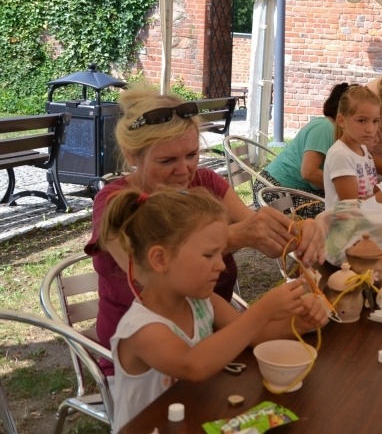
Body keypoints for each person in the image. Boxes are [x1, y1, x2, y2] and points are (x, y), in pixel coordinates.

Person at [87, 86, 325, 375]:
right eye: (167, 160)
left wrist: (303, 231)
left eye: (192, 154)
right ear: (131, 155)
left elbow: (269, 241)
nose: (184, 170)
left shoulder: (200, 297)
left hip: (212, 339)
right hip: (149, 365)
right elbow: (141, 271)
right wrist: (235, 237)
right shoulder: (116, 204)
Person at [103, 187, 328, 432]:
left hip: (196, 418)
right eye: (209, 255)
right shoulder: (141, 328)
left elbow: (256, 336)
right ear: (160, 259)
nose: (221, 265)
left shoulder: (200, 301)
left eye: (220, 254)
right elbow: (193, 365)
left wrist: (303, 322)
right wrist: (263, 310)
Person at [253, 82, 351, 218]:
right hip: (274, 191)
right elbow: (309, 173)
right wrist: (342, 186)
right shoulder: (325, 127)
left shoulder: (330, 128)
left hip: (281, 189)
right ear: (343, 114)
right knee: (344, 212)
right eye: (361, 119)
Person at [323, 86, 382, 209]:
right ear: (342, 121)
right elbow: (353, 208)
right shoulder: (341, 155)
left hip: (366, 224)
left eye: (375, 121)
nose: (370, 129)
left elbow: (368, 193)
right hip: (346, 227)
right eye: (362, 121)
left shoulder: (363, 151)